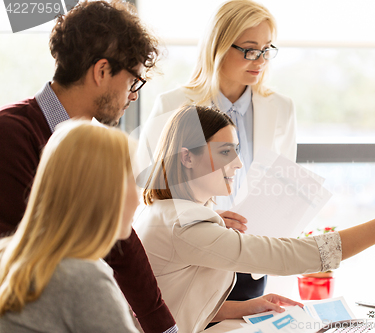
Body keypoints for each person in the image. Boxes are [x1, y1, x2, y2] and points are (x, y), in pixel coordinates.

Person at [134, 105, 375, 333]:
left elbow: (172, 304)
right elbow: (293, 256)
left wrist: (248, 306)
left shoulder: (167, 212)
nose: (236, 165)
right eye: (224, 152)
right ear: (187, 157)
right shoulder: (187, 226)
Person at [0, 2, 176, 332]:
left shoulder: (89, 145)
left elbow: (122, 244)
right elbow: (32, 246)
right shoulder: (11, 135)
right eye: (132, 82)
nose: (132, 96)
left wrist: (165, 328)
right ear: (101, 72)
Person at [138, 0, 293, 302]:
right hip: (191, 259)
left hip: (251, 260)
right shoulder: (172, 106)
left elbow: (282, 183)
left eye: (267, 49)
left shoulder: (281, 108)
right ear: (219, 47)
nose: (260, 60)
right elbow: (148, 191)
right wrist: (206, 217)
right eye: (250, 49)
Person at [0, 121, 140, 332]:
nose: (139, 200)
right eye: (134, 181)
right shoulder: (82, 278)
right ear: (104, 192)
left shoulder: (8, 255)